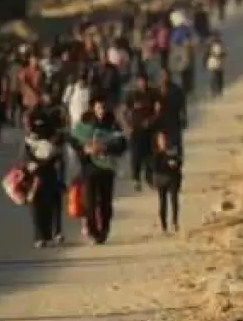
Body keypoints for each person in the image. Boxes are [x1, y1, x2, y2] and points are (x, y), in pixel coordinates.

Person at [71, 97, 127, 244]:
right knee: (89, 202)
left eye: (103, 108)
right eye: (98, 108)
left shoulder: (112, 124)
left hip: (107, 168)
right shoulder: (84, 125)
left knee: (105, 201)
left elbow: (122, 144)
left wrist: (105, 148)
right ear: (93, 109)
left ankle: (104, 230)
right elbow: (73, 140)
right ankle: (93, 230)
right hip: (89, 168)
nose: (101, 111)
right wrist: (85, 150)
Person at [22, 113, 64, 247]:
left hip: (43, 173)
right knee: (43, 206)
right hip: (41, 174)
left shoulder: (50, 138)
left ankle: (45, 236)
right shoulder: (30, 140)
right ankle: (45, 235)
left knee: (43, 206)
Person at [124, 74, 158, 191]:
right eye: (140, 82)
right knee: (136, 156)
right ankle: (136, 179)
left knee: (149, 155)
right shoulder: (132, 95)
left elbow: (157, 110)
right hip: (135, 129)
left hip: (149, 129)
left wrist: (151, 121)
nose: (142, 84)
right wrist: (128, 126)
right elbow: (125, 111)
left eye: (144, 82)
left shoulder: (152, 94)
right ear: (137, 82)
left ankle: (149, 178)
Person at [151, 129, 183, 233]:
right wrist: (167, 163)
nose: (163, 141)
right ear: (157, 141)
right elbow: (154, 167)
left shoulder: (173, 150)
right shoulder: (155, 153)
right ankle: (164, 225)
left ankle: (175, 222)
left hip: (173, 178)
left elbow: (180, 162)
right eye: (161, 140)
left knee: (174, 200)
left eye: (164, 139)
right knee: (162, 202)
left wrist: (176, 164)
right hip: (161, 179)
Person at [206, 32, 227, 96]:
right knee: (214, 77)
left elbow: (225, 52)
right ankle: (214, 90)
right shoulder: (210, 44)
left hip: (219, 63)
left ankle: (219, 90)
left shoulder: (221, 44)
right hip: (213, 63)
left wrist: (222, 55)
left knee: (219, 77)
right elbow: (209, 53)